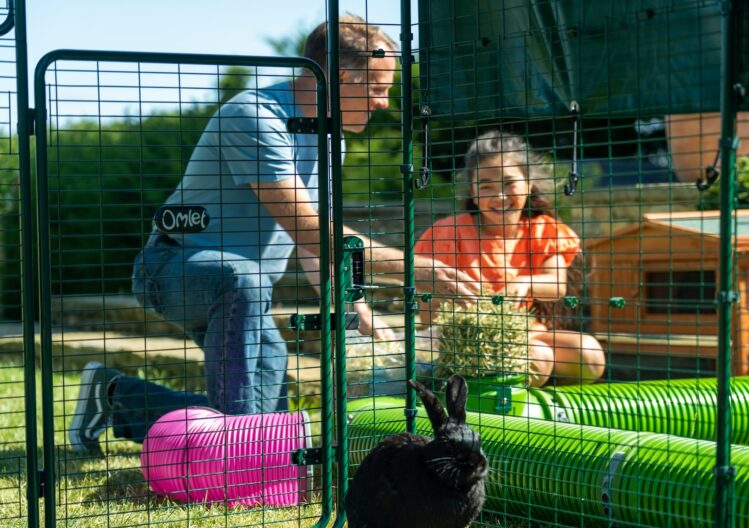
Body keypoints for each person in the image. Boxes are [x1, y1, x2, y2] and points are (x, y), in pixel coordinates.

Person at [69, 15, 478, 453]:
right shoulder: (254, 116)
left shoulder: (329, 140)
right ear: (342, 77)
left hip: (246, 292)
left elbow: (314, 242)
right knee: (242, 290)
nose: (382, 102)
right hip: (175, 269)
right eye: (378, 88)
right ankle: (237, 464)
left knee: (267, 424)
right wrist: (412, 269)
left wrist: (351, 298)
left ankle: (115, 398)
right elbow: (306, 226)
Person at [416, 130, 605, 387]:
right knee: (539, 359)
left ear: (529, 183)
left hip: (523, 332)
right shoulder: (445, 232)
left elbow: (556, 285)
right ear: (472, 190)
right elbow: (427, 306)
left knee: (589, 354)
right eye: (486, 186)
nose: (500, 196)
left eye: (509, 183)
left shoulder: (545, 229)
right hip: (459, 341)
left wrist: (526, 282)